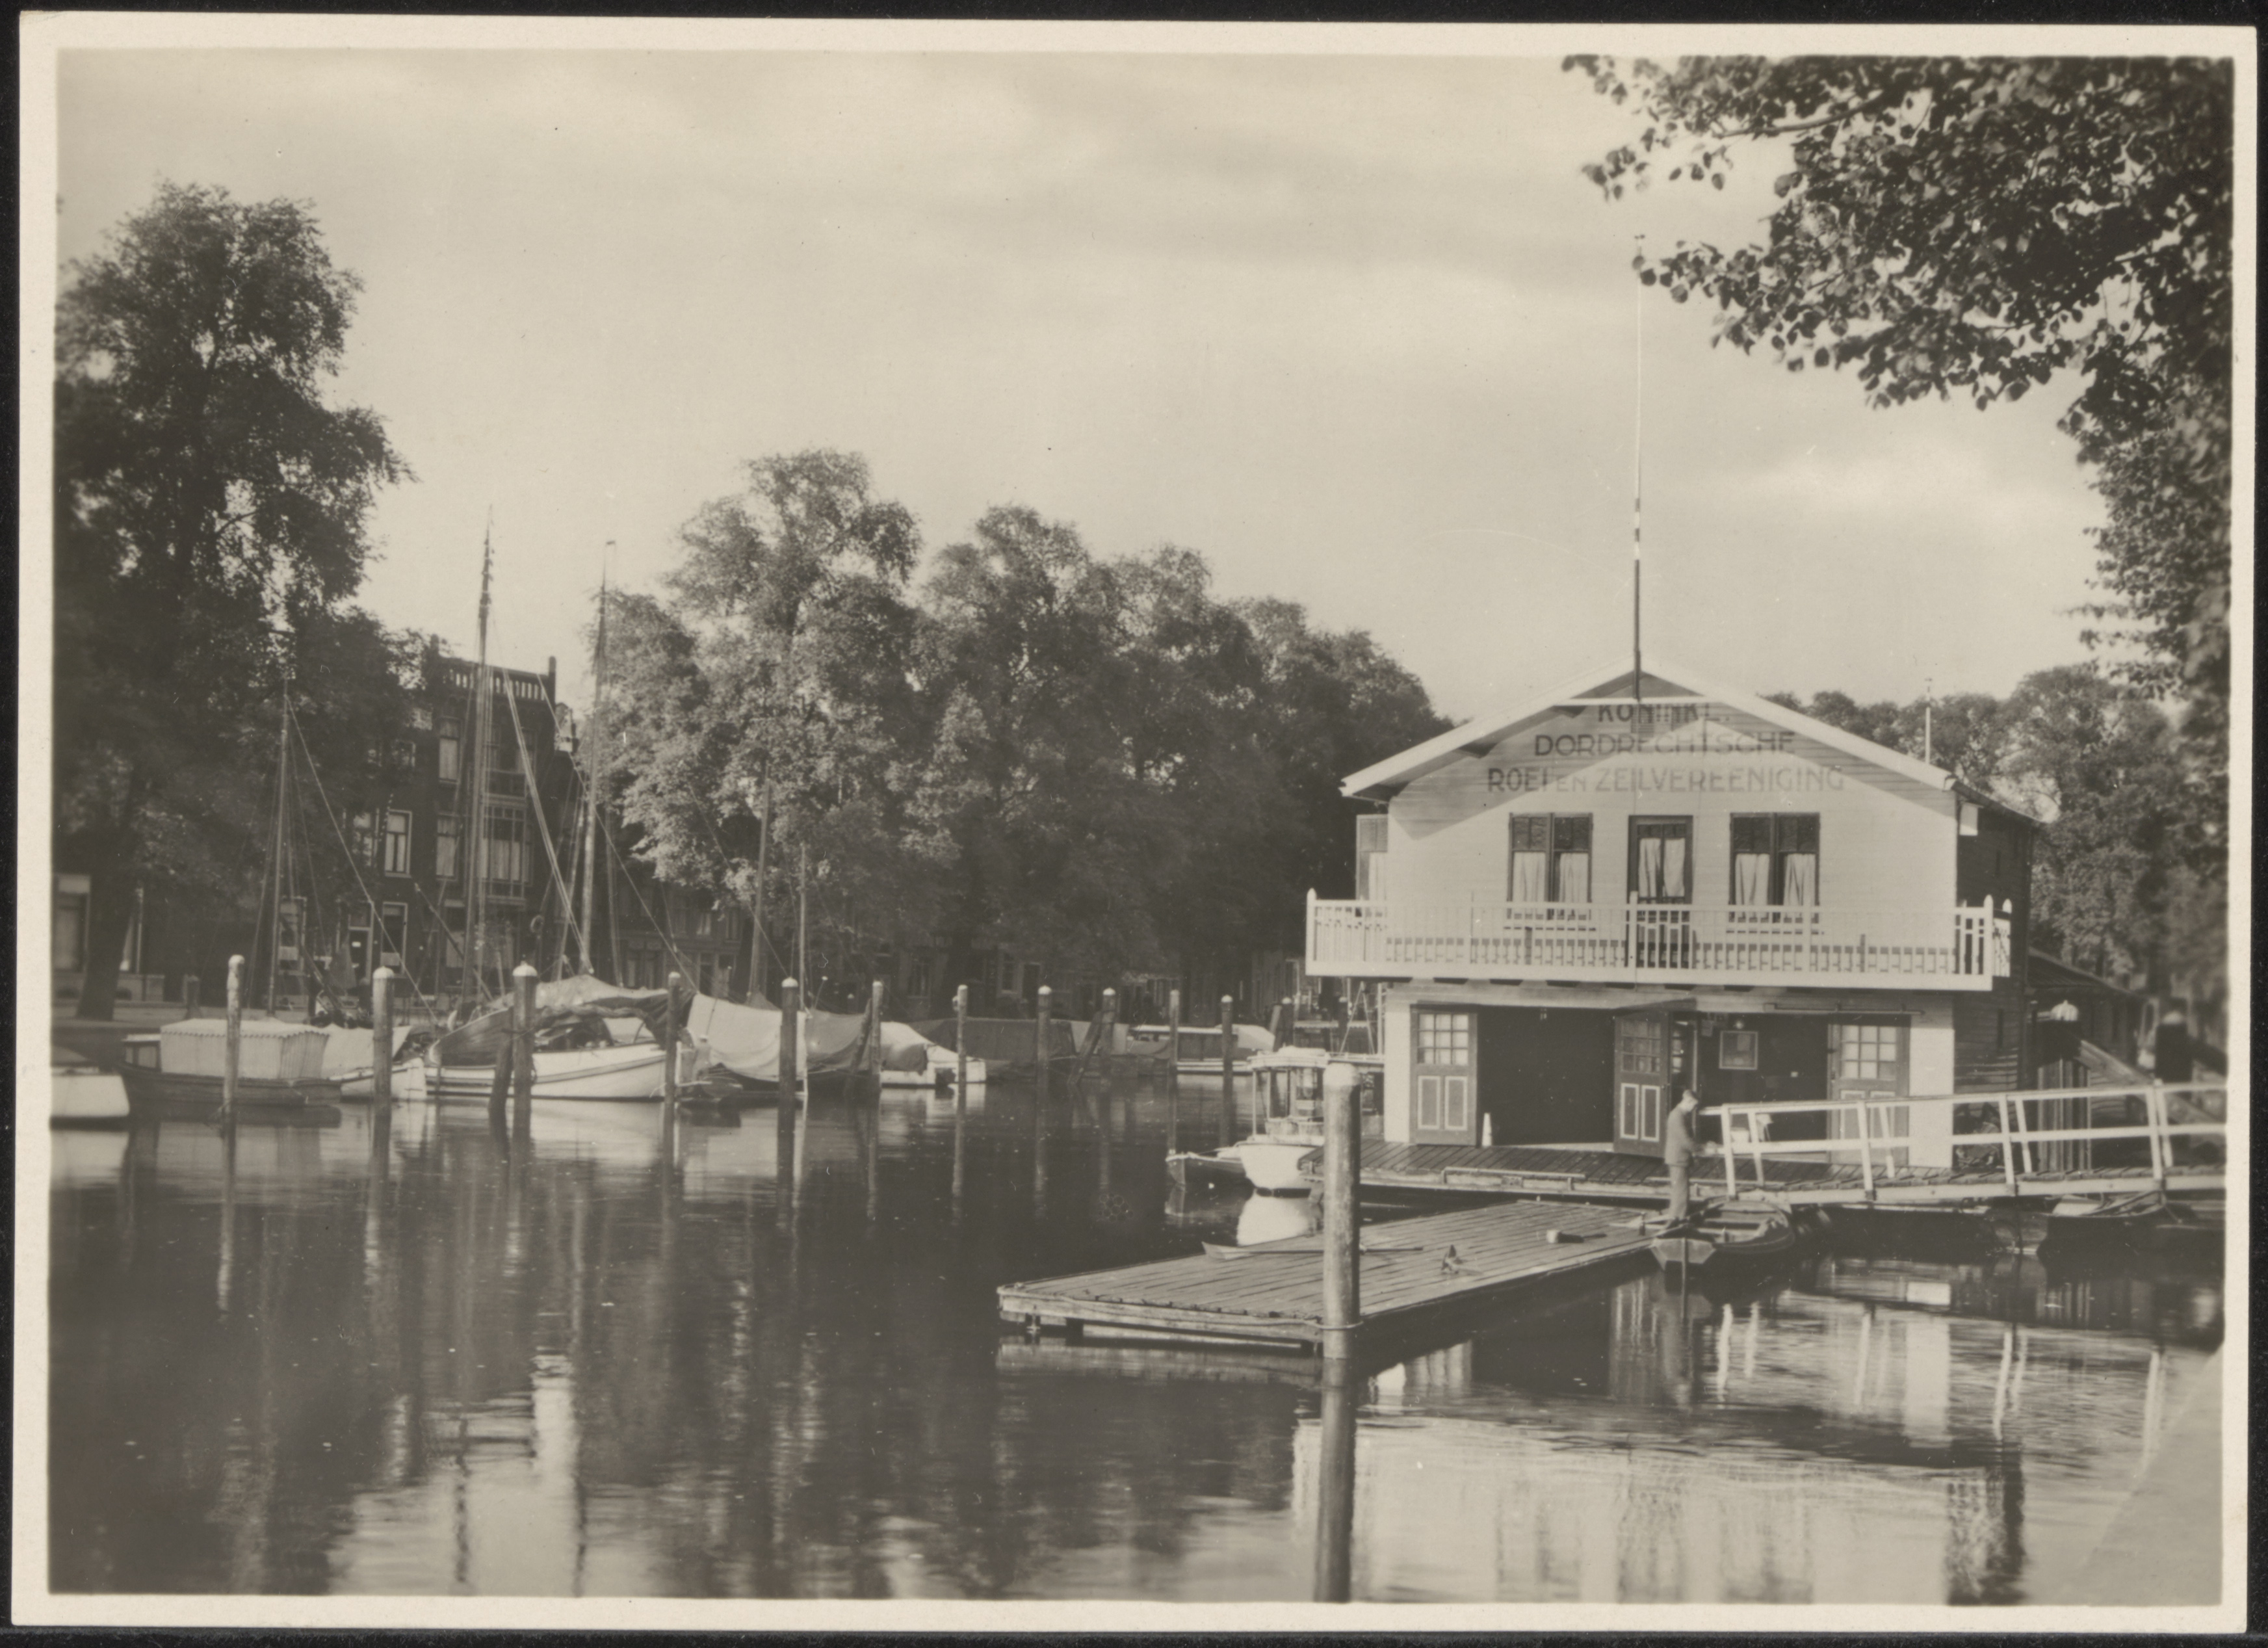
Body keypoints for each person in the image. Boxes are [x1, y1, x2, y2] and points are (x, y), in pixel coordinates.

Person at [1664, 1086, 1702, 1224]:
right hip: (1678, 1159)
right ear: (1688, 1101)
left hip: (1679, 1158)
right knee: (1680, 1192)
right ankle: (1677, 1220)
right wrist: (1700, 1149)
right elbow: (1685, 1140)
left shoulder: (1681, 1115)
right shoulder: (1677, 1116)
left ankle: (1677, 1218)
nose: (1694, 1109)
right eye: (1694, 1105)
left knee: (1680, 1191)